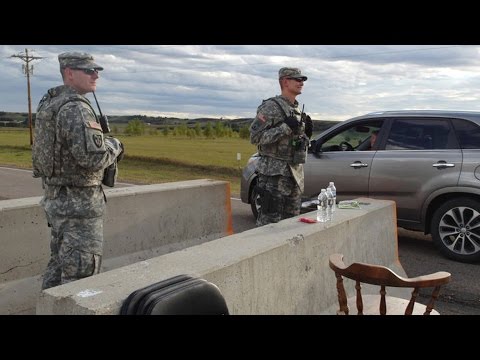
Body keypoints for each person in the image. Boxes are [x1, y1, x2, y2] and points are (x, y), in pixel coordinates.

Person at [32, 52, 124, 290]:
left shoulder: (51, 103)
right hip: (79, 208)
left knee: (58, 268)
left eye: (97, 71)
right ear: (69, 73)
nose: (95, 75)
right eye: (88, 70)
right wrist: (115, 146)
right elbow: (93, 158)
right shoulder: (75, 108)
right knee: (81, 278)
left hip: (58, 201)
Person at [249, 67, 313, 226]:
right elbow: (255, 137)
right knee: (269, 224)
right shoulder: (271, 107)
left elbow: (294, 141)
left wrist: (307, 136)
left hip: (294, 175)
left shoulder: (296, 109)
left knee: (290, 225)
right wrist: (284, 128)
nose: (301, 82)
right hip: (274, 175)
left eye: (302, 80)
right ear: (285, 81)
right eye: (297, 79)